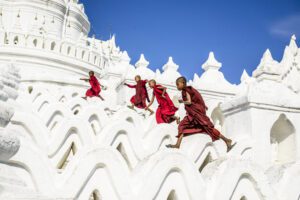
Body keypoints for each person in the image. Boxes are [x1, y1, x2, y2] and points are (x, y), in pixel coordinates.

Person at [166, 76, 236, 152]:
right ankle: (178, 144)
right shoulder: (186, 90)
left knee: (208, 129)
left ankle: (227, 141)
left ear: (183, 83)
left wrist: (182, 101)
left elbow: (189, 102)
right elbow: (197, 99)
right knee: (182, 126)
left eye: (178, 84)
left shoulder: (186, 90)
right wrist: (203, 106)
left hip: (195, 115)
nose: (177, 86)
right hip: (192, 114)